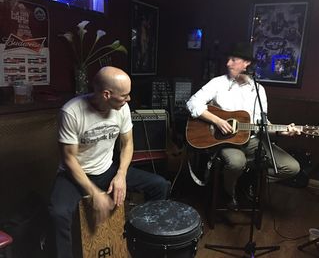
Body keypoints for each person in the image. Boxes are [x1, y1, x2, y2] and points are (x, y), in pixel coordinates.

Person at [48, 66, 170, 258]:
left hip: (107, 170)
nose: (129, 99)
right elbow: (69, 159)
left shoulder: (122, 109)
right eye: (125, 95)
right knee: (58, 214)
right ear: (106, 94)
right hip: (75, 175)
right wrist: (94, 193)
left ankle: (146, 245)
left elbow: (127, 143)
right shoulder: (71, 112)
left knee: (160, 186)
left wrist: (121, 175)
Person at [186, 42, 300, 208]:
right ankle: (229, 193)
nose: (227, 63)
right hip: (225, 140)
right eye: (228, 59)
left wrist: (282, 131)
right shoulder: (218, 83)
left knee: (292, 167)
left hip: (252, 140)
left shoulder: (258, 90)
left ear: (247, 63)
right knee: (237, 162)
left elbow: (262, 122)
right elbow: (192, 103)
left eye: (233, 59)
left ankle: (249, 181)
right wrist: (217, 120)